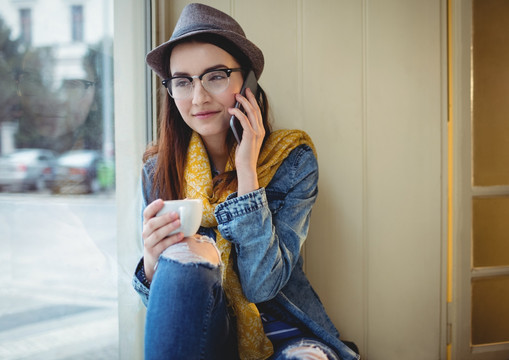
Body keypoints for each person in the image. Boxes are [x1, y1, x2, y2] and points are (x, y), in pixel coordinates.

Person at [132, 3, 360, 360]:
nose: (198, 97)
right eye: (182, 81)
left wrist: (247, 174)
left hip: (289, 337)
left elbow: (262, 285)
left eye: (216, 75)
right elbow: (170, 319)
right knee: (186, 257)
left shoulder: (291, 159)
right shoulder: (156, 172)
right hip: (211, 336)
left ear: (248, 82)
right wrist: (150, 263)